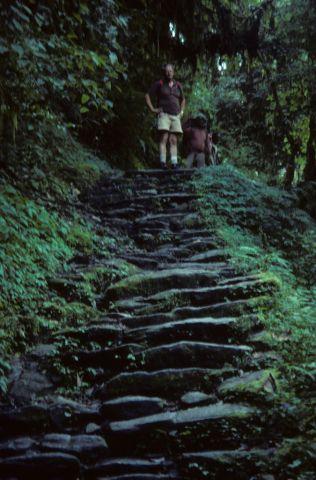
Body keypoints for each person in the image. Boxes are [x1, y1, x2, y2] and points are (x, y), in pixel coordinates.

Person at [145, 63, 185, 170]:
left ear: (173, 72)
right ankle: (162, 163)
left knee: (173, 140)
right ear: (164, 72)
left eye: (170, 71)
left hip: (176, 116)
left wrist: (182, 112)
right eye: (167, 71)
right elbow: (147, 95)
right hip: (164, 114)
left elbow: (183, 99)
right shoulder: (160, 84)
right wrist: (153, 109)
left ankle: (174, 163)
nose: (169, 73)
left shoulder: (177, 85)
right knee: (164, 138)